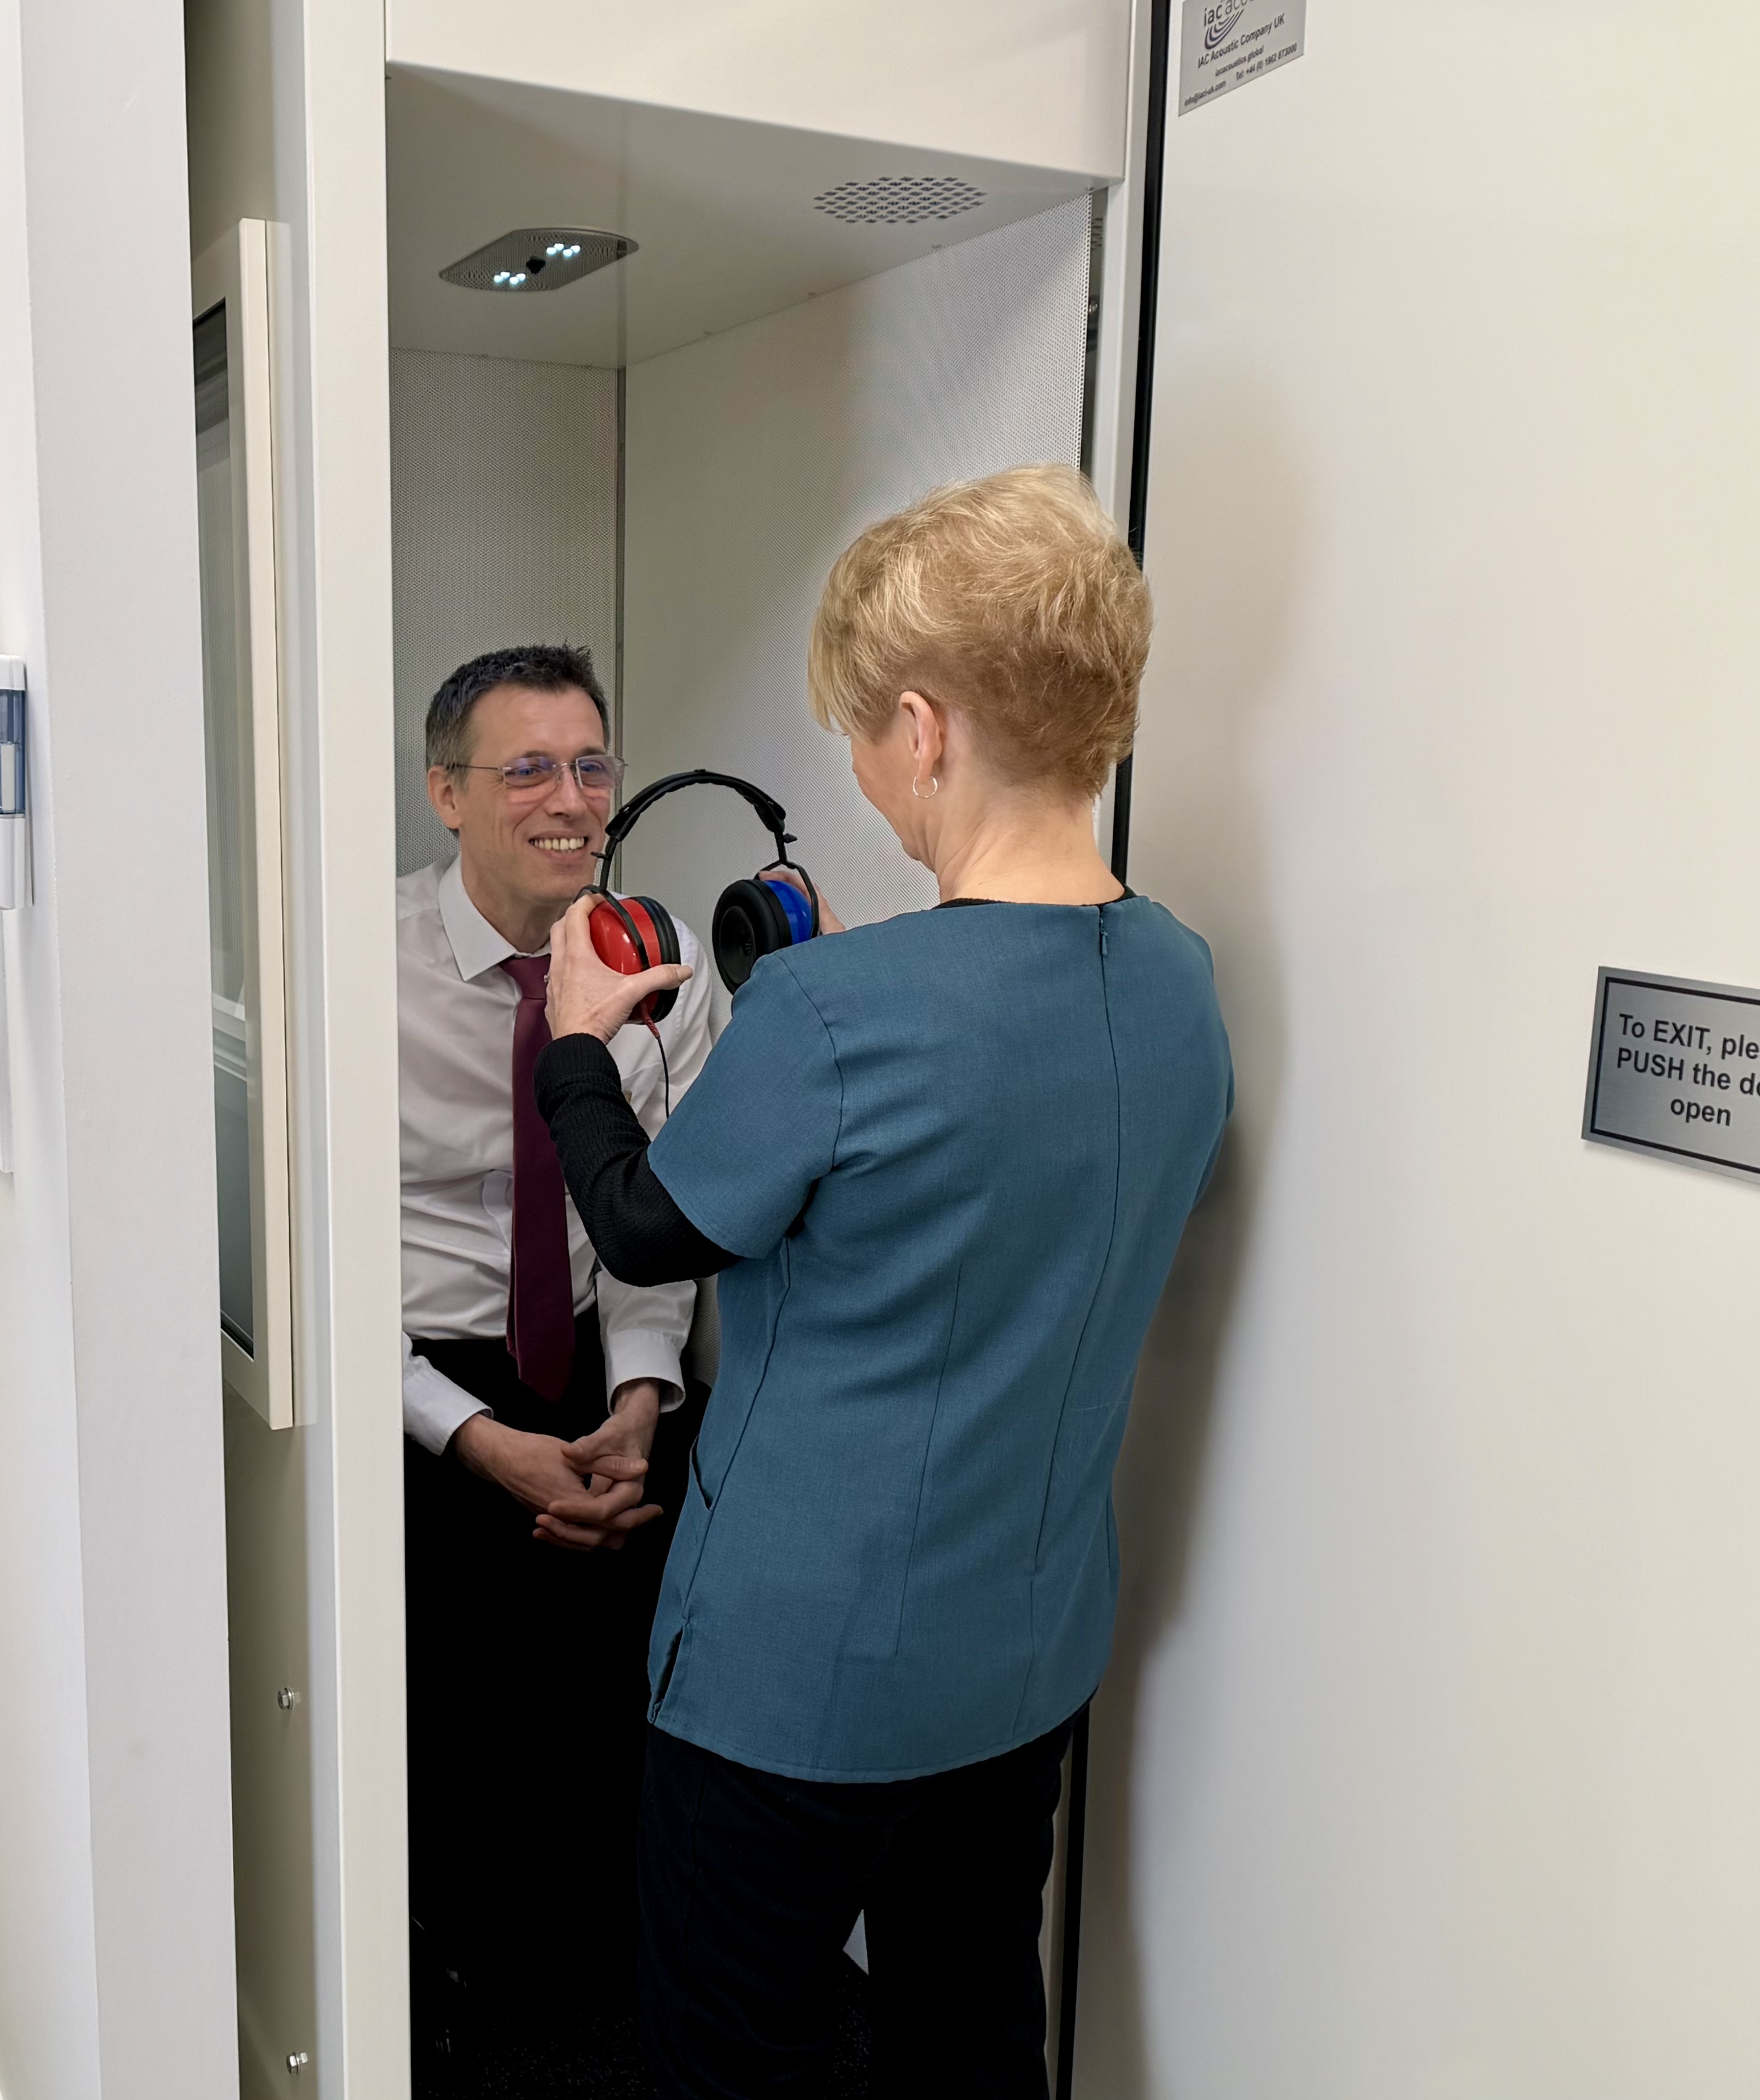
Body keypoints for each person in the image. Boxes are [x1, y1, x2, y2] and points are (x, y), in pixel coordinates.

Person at [533, 466, 1233, 2099]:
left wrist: (578, 1041)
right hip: (1026, 1650)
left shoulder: (841, 1015)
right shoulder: (1183, 981)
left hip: (792, 1672)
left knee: (735, 2058)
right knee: (971, 2031)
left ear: (925, 729)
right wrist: (837, 993)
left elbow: (644, 1228)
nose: (865, 768)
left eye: (863, 733)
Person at [395, 643, 717, 2067]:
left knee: (622, 1744)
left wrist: (643, 1395)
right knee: (457, 1765)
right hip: (416, 1384)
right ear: (445, 793)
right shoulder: (353, 968)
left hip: (608, 1364)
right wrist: (465, 1433)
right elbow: (317, 1263)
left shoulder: (676, 974)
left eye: (590, 763)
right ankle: (459, 2009)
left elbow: (670, 1213)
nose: (569, 798)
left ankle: (603, 2012)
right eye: (525, 767)